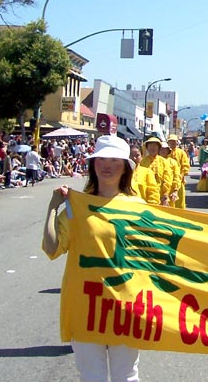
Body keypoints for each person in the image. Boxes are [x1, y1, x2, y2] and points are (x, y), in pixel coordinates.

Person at [42, 135, 144, 382]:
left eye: (115, 160)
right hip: (85, 304)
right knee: (91, 376)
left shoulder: (138, 207)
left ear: (125, 168)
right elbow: (52, 249)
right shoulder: (77, 206)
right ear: (92, 164)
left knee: (126, 376)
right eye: (101, 159)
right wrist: (53, 208)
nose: (107, 165)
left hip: (125, 305)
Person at [166, 134, 190, 209]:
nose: (172, 143)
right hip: (167, 181)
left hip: (179, 180)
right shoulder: (165, 152)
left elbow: (185, 166)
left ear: (177, 142)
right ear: (168, 142)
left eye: (174, 141)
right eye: (171, 141)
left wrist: (180, 176)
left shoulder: (181, 152)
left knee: (179, 203)